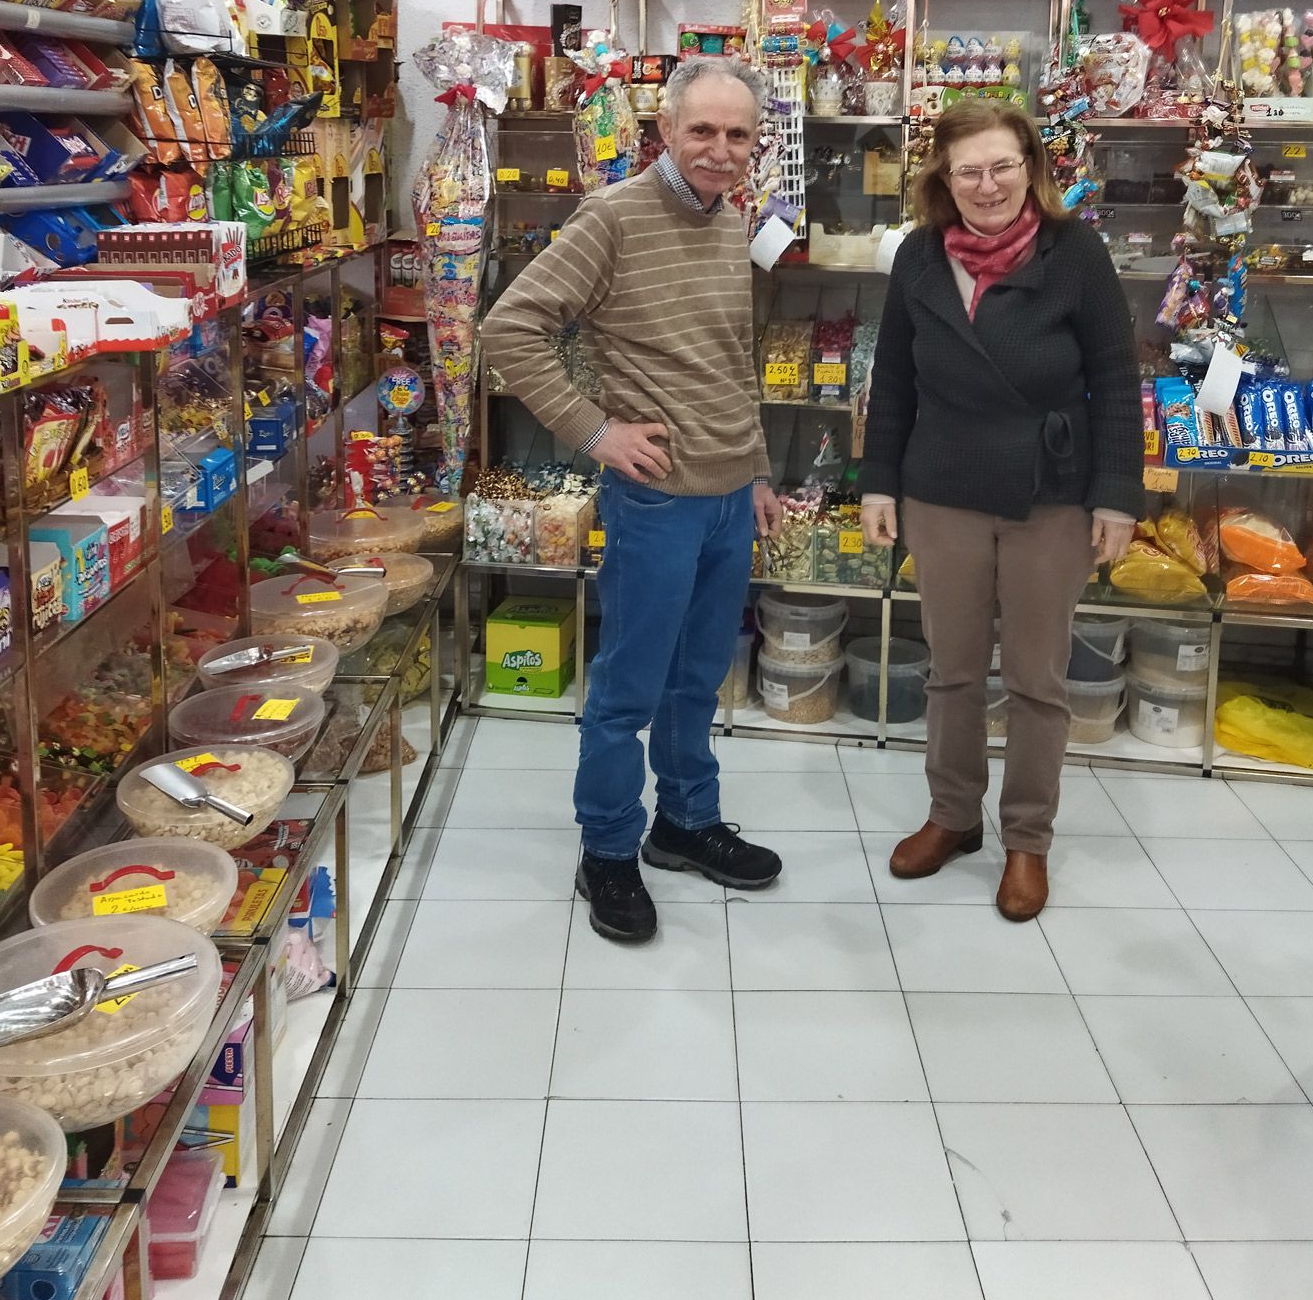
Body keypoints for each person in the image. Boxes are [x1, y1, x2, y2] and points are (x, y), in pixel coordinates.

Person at [480, 56, 784, 944]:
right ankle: (607, 849)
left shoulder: (732, 222)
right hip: (655, 499)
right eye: (703, 131)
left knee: (699, 680)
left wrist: (759, 466)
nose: (720, 151)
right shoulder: (612, 216)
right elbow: (510, 327)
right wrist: (593, 430)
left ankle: (684, 825)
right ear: (664, 130)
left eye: (737, 134)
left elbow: (734, 356)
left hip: (729, 495)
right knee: (628, 689)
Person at [859, 98, 1143, 922]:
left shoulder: (1075, 252)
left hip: (1048, 493)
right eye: (968, 171)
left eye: (1002, 167)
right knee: (949, 670)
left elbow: (1117, 382)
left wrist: (1117, 494)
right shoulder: (918, 256)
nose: (987, 186)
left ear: (1032, 169)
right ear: (944, 180)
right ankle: (953, 816)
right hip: (940, 486)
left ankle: (1027, 839)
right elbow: (896, 382)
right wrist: (880, 482)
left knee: (1035, 678)